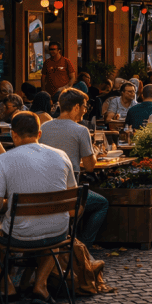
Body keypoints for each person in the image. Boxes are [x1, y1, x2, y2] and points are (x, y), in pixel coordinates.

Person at [0, 111, 75, 304]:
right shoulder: (62, 155)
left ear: (13, 135)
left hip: (18, 236)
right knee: (52, 222)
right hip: (59, 234)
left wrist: (10, 204)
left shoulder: (3, 160)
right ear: (39, 133)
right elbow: (71, 204)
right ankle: (40, 286)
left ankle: (7, 287)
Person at [38, 89, 108, 246]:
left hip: (44, 190)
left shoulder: (44, 127)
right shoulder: (81, 130)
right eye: (84, 106)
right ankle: (82, 245)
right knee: (102, 203)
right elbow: (90, 167)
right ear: (76, 107)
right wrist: (95, 152)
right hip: (69, 192)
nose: (85, 110)